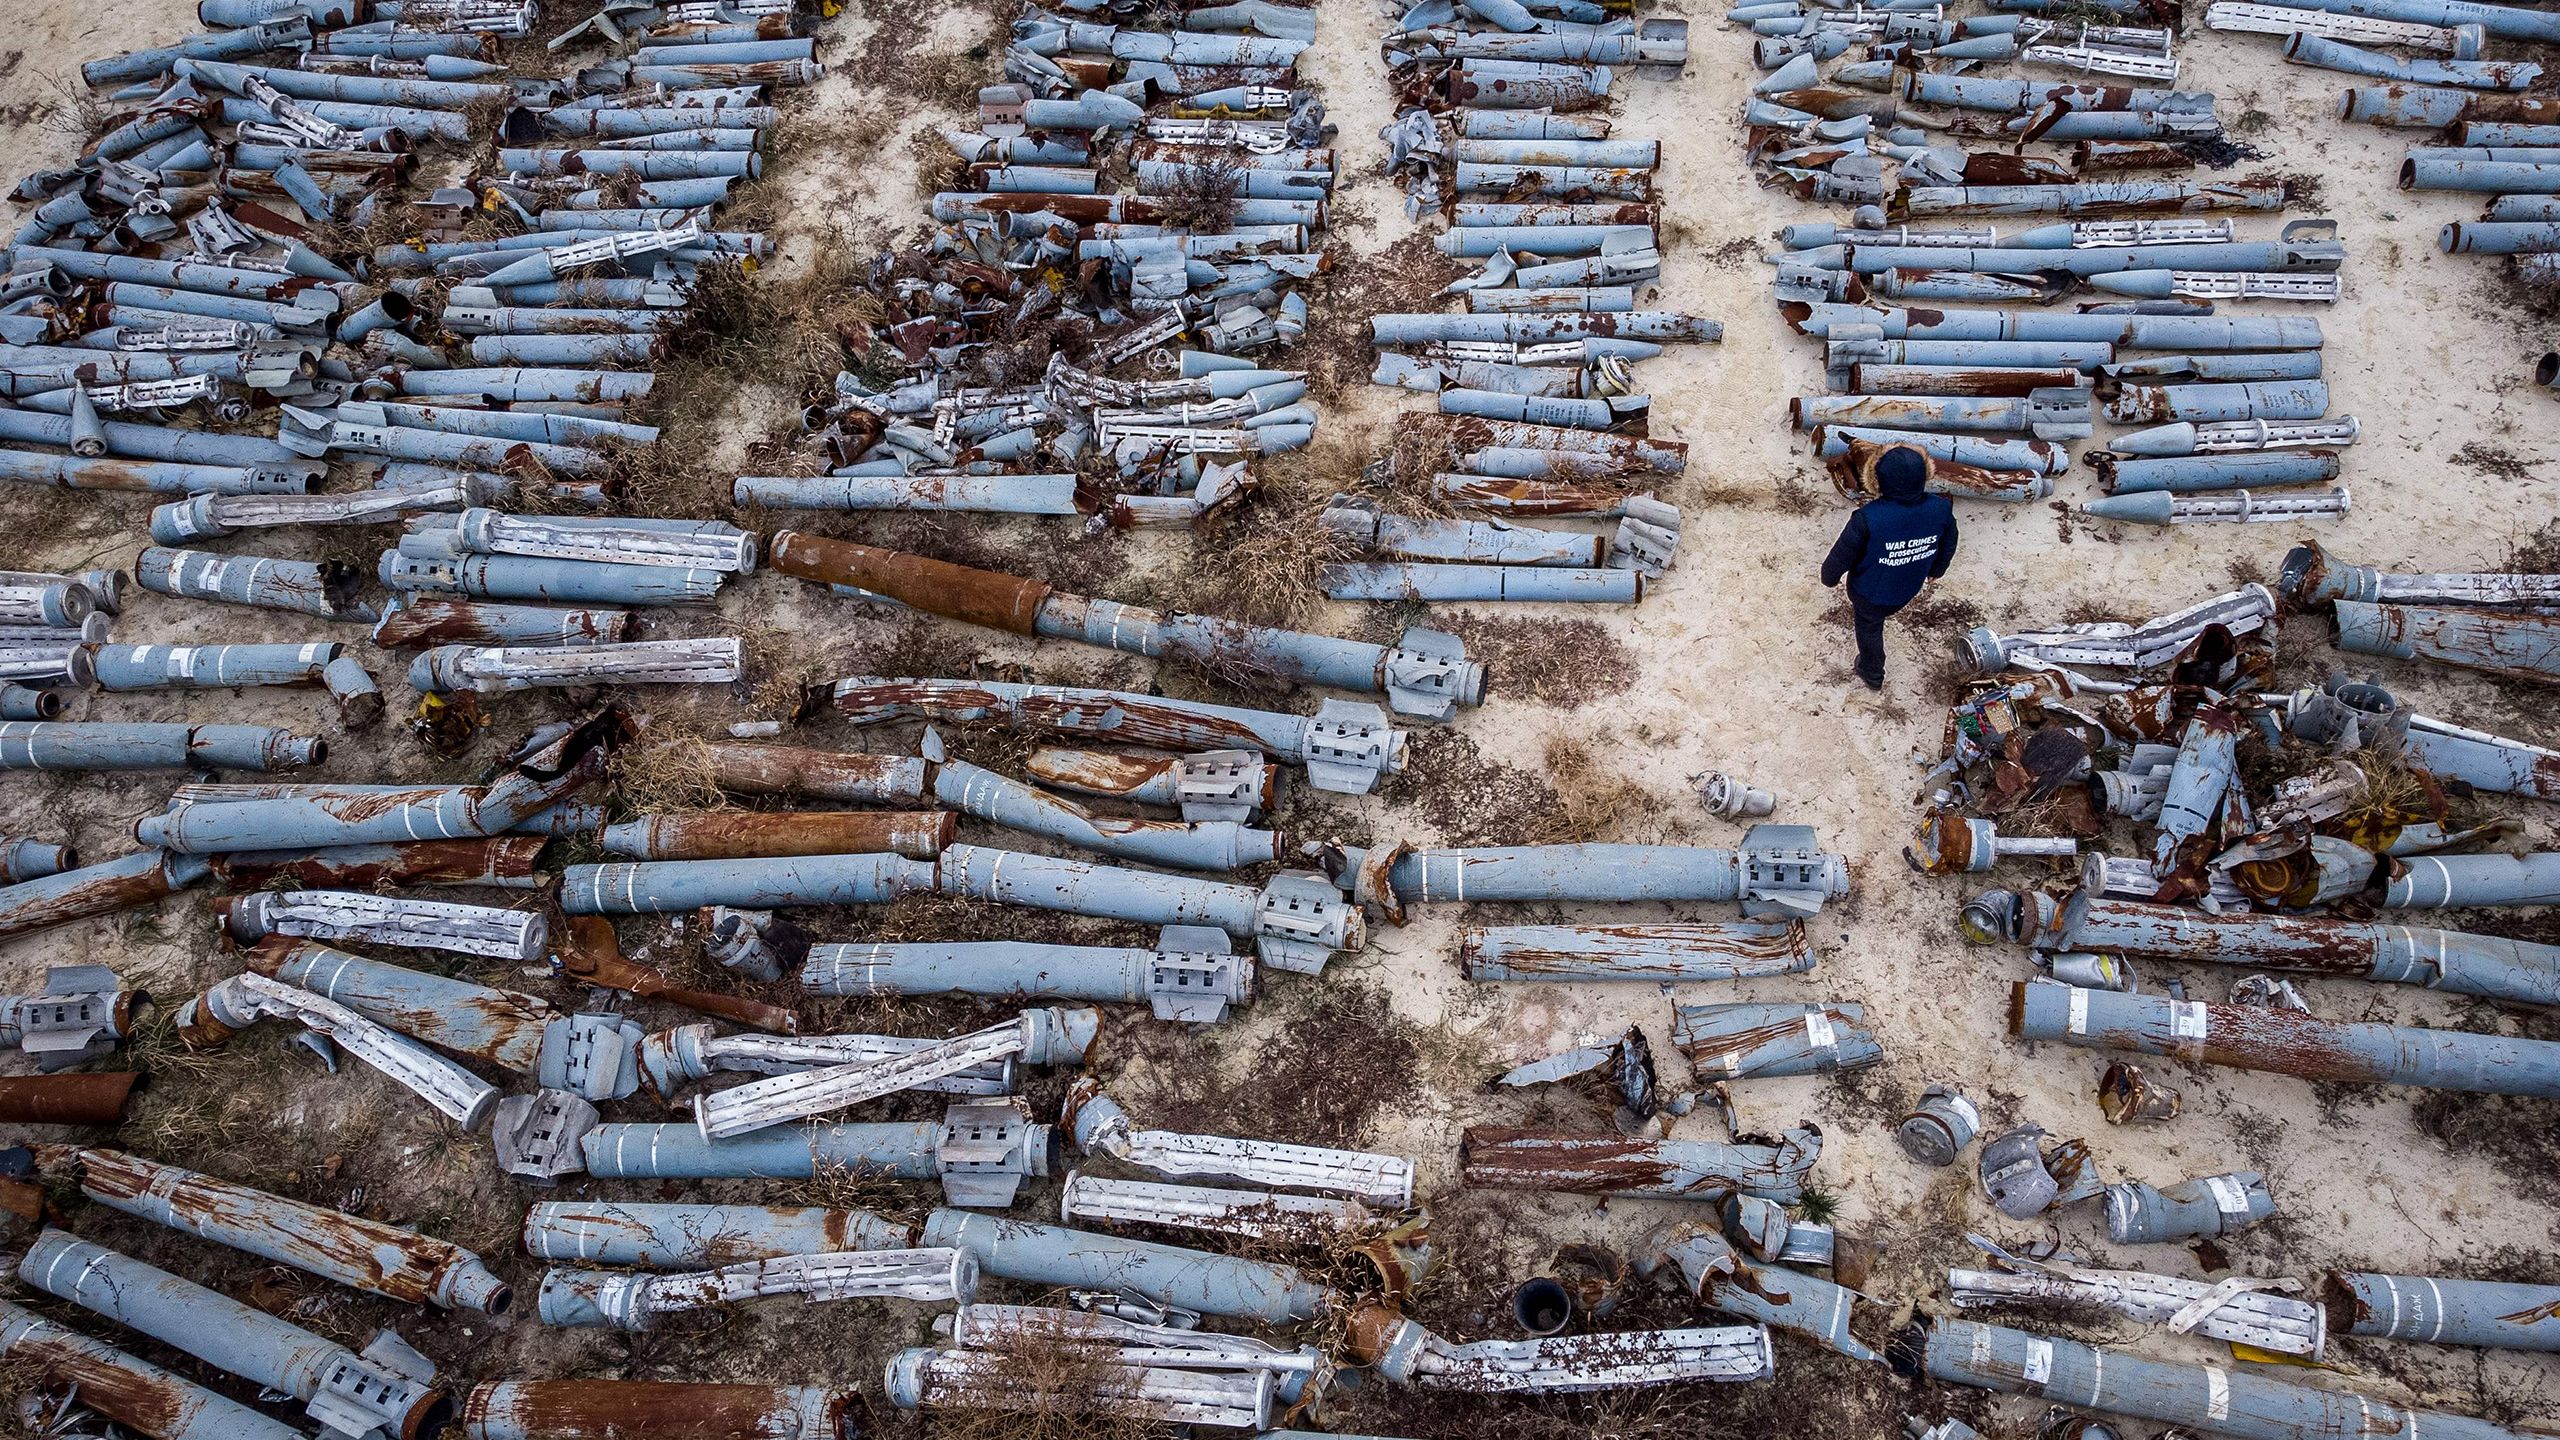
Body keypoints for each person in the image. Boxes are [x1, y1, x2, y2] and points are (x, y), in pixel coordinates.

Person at [1819, 445, 1958, 692]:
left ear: (1876, 480)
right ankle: (1872, 667)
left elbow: (1843, 554)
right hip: (1908, 587)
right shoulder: (1941, 508)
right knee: (1879, 617)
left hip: (1868, 593)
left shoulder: (1868, 517)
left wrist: (1829, 578)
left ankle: (1871, 672)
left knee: (1869, 628)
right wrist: (1937, 569)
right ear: (1925, 475)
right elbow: (1949, 542)